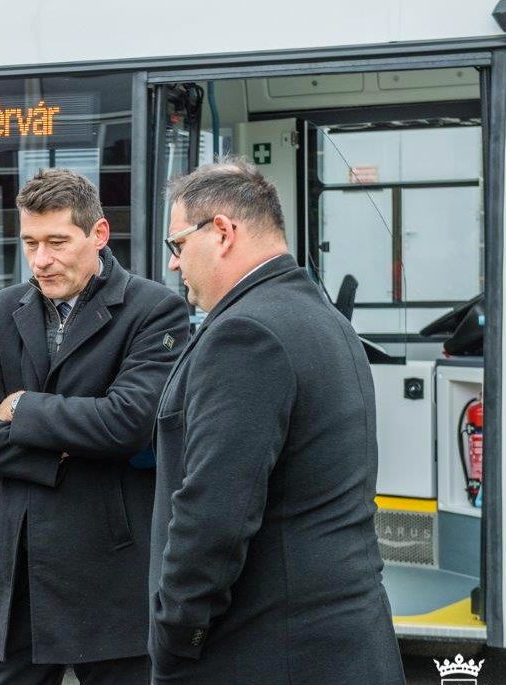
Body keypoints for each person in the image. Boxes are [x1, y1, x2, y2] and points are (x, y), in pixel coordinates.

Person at [149, 158, 405, 684]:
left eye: (177, 244)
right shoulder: (322, 317)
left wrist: (174, 640)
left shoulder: (245, 334)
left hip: (269, 651)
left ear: (222, 232)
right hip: (342, 645)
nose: (174, 264)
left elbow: (213, 518)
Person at [0, 169, 189, 684]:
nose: (40, 260)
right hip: (18, 568)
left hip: (109, 569)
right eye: (30, 243)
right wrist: (59, 450)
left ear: (98, 234)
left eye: (57, 242)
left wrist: (23, 408)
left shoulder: (154, 310)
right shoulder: (0, 310)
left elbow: (128, 423)